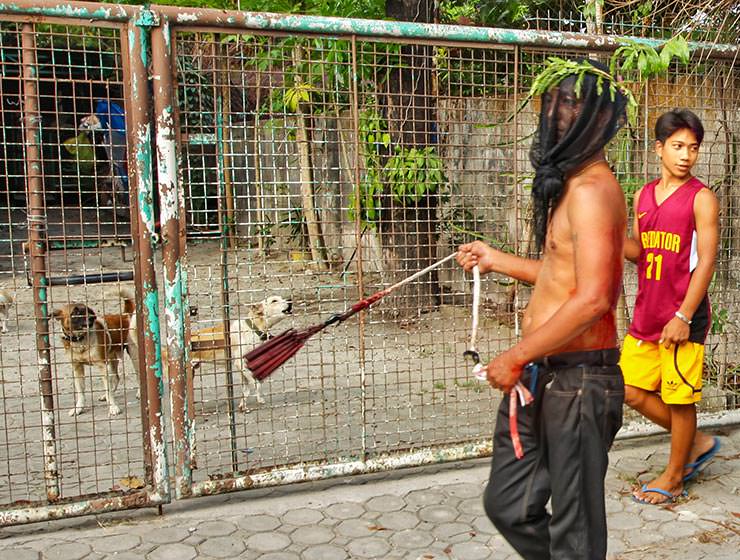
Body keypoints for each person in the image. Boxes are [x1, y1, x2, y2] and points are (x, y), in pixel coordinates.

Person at [456, 60, 627, 559]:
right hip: (543, 376)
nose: (557, 113)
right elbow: (560, 275)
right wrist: (496, 259)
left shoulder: (595, 192)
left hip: (579, 384)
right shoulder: (571, 187)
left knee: (575, 532)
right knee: (510, 505)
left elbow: (595, 299)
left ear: (601, 120)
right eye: (553, 101)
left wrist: (513, 355)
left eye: (572, 103)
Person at [621, 109, 720, 505]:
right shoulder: (642, 196)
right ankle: (695, 443)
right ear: (658, 148)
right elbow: (640, 252)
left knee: (680, 399)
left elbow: (707, 261)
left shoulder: (702, 198)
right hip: (648, 312)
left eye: (692, 149)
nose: (685, 156)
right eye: (677, 147)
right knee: (626, 388)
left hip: (683, 316)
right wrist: (601, 237)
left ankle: (675, 476)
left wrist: (683, 316)